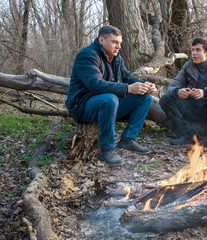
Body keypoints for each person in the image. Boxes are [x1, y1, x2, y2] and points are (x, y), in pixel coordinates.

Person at [66, 25, 156, 164]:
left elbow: (128, 78)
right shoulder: (87, 55)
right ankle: (107, 149)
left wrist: (145, 85)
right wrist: (128, 88)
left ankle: (128, 139)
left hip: (107, 105)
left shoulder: (116, 58)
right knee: (110, 99)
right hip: (83, 106)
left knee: (145, 97)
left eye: (120, 43)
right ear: (101, 40)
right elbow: (95, 85)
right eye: (114, 42)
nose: (118, 46)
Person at [159, 37, 207, 151]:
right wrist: (178, 91)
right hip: (193, 107)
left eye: (198, 50)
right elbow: (172, 86)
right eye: (193, 50)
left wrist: (205, 92)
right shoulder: (188, 66)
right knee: (165, 99)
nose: (194, 53)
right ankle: (186, 134)